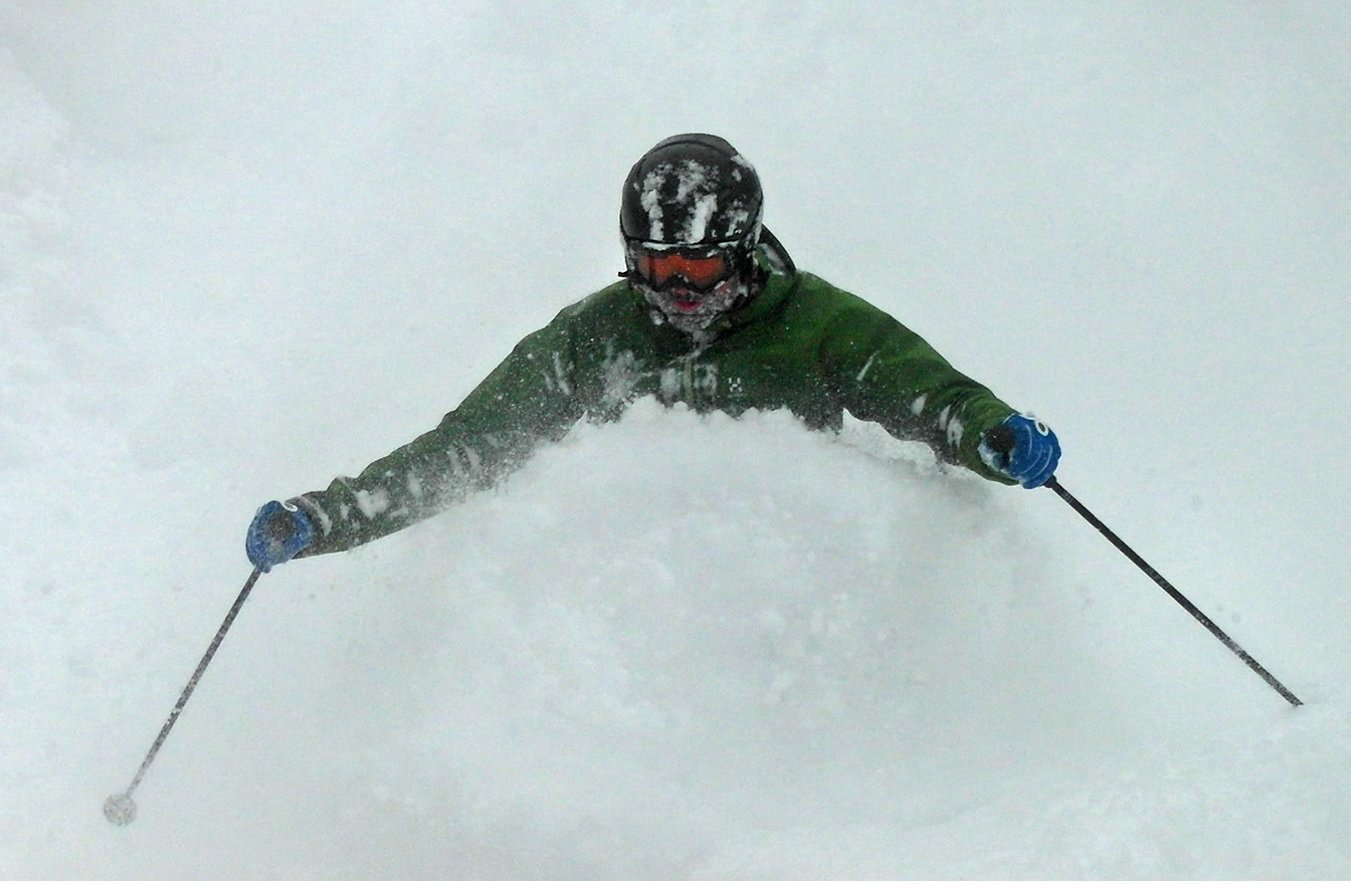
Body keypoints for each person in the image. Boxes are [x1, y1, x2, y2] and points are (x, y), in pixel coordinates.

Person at [245, 133, 1061, 572]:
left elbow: (931, 399)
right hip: (642, 585)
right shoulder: (595, 335)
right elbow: (471, 446)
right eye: (654, 264)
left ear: (742, 248)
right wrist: (326, 517)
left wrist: (990, 435)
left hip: (792, 574)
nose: (675, 288)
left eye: (696, 266)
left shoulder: (817, 323)